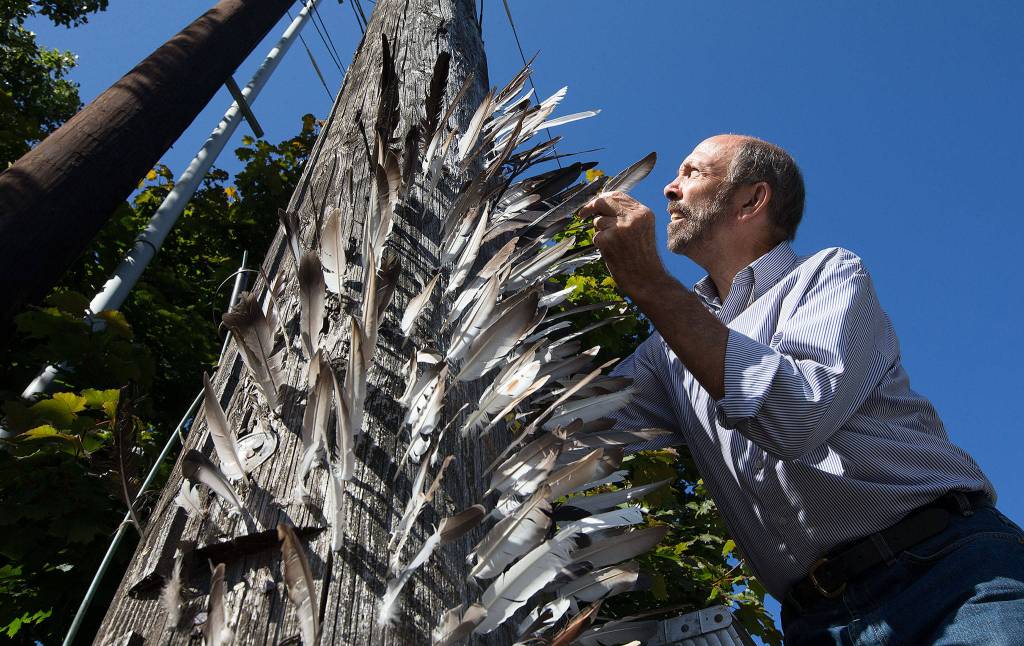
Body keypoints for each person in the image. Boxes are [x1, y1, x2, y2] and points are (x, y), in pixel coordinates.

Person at [579, 134, 1024, 645]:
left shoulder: (827, 274)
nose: (669, 190)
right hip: (817, 623)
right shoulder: (664, 355)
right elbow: (576, 429)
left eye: (692, 173)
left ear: (752, 199)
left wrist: (650, 283)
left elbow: (796, 414)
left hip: (948, 575)